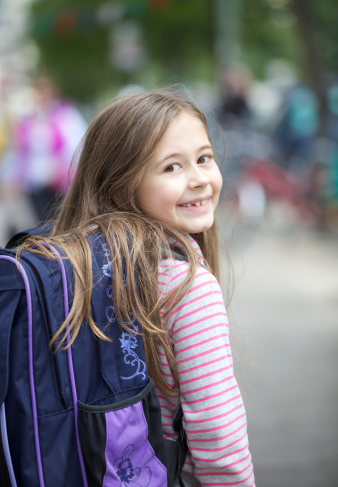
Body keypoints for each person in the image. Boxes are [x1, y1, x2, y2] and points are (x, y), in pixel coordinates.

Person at [17, 89, 255, 486]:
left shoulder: (77, 267)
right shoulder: (186, 285)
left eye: (204, 158)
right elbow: (220, 440)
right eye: (171, 168)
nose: (199, 179)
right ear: (119, 189)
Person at [10, 76, 87, 222]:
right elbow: (19, 152)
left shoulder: (65, 114)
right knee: (41, 221)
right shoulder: (26, 119)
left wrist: (60, 169)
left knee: (60, 221)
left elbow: (77, 144)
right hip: (34, 181)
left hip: (59, 181)